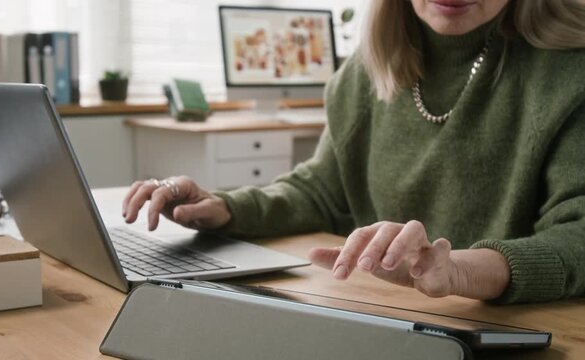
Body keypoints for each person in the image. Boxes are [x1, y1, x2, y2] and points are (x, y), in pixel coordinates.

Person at [123, 0, 585, 304]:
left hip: (519, 331)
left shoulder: (569, 71)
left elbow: (578, 233)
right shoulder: (365, 73)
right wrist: (224, 206)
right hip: (388, 320)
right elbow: (324, 190)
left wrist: (461, 271)